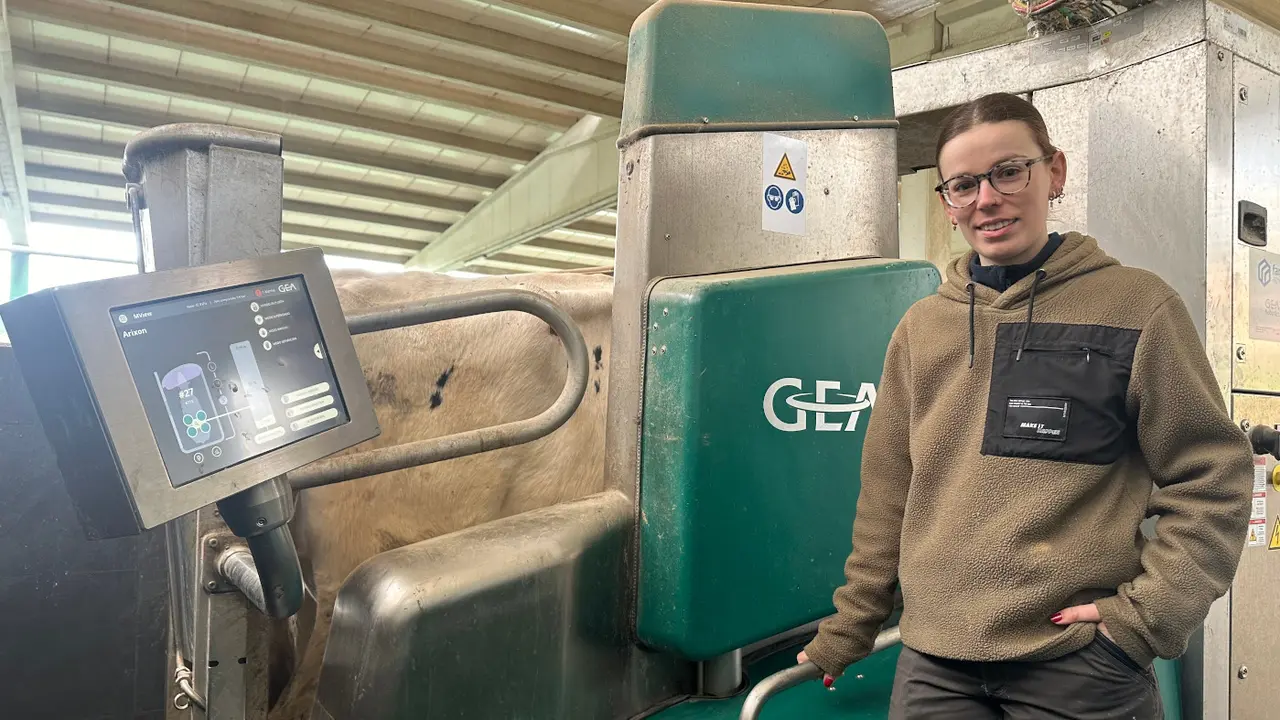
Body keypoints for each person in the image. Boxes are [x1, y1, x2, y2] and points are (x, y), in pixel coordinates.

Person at [796, 92, 1254, 719]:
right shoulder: (923, 328)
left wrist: (1143, 622)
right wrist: (852, 625)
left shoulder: (1137, 308)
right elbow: (888, 492)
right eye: (963, 185)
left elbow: (1213, 475)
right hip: (936, 665)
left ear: (1054, 173)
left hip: (1078, 664)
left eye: (1009, 171)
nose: (987, 198)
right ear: (948, 202)